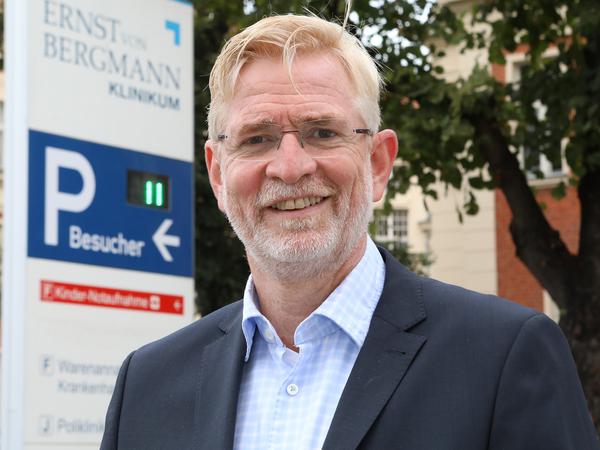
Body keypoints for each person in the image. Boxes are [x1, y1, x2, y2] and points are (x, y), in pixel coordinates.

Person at [100, 13, 599, 450]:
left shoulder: (503, 357)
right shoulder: (147, 385)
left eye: (322, 132)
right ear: (217, 175)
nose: (290, 167)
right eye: (257, 138)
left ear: (378, 163)